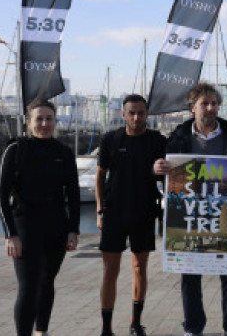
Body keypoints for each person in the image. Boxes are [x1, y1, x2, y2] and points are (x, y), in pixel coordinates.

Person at [153, 83, 227, 336]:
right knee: (189, 274)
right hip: (189, 215)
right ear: (192, 108)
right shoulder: (176, 139)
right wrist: (156, 170)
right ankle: (193, 326)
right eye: (204, 104)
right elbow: (163, 176)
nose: (210, 109)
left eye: (214, 104)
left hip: (226, 216)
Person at [0, 99, 80, 336]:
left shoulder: (63, 153)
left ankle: (41, 332)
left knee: (47, 283)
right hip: (25, 227)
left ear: (55, 121)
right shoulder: (16, 149)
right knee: (29, 286)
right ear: (28, 122)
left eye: (49, 119)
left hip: (56, 227)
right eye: (39, 119)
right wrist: (10, 234)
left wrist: (73, 230)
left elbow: (73, 194)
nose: (44, 124)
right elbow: (1, 196)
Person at [96, 94, 167, 336]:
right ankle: (106, 327)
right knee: (110, 271)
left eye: (141, 113)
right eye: (132, 113)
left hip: (144, 211)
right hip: (114, 213)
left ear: (147, 114)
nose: (137, 117)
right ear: (124, 114)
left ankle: (136, 323)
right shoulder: (110, 139)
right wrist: (99, 210)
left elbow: (169, 172)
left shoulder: (158, 141)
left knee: (139, 269)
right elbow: (99, 175)